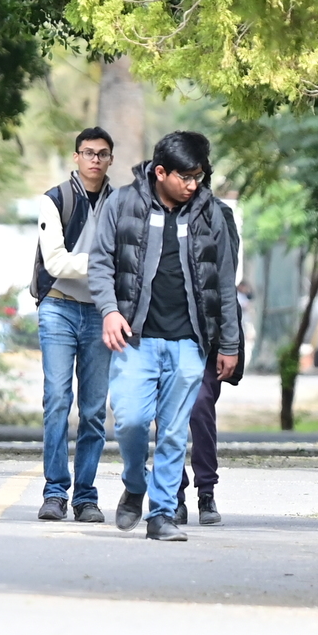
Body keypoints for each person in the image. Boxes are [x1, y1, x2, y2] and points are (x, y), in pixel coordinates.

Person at [89, 130, 241, 542]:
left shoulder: (212, 215)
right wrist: (109, 311)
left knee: (174, 431)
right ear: (161, 172)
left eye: (199, 177)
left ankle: (161, 515)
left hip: (190, 343)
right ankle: (135, 483)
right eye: (186, 177)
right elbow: (100, 263)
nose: (194, 185)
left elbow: (224, 281)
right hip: (136, 340)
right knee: (133, 421)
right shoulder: (122, 203)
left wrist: (229, 343)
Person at [30, 127, 116, 523]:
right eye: (88, 152)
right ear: (76, 157)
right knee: (57, 401)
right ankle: (54, 493)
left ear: (110, 159)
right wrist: (105, 265)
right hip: (59, 307)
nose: (94, 159)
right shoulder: (55, 200)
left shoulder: (122, 203)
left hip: (102, 312)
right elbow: (56, 263)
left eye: (102, 153)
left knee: (95, 409)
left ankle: (85, 496)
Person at [178, 200, 245, 526]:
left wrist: (229, 342)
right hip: (167, 327)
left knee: (201, 405)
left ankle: (206, 491)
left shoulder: (220, 214)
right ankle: (173, 493)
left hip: (208, 331)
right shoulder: (156, 210)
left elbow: (226, 278)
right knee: (169, 411)